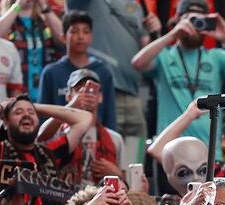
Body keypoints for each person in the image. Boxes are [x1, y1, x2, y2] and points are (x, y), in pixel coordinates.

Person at [131, 0, 225, 144]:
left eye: (200, 20)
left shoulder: (216, 57)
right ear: (177, 20)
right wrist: (173, 34)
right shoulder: (164, 55)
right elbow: (137, 63)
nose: (195, 26)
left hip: (209, 150)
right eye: (190, 20)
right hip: (170, 149)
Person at [66, 0, 153, 141]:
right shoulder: (91, 4)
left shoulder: (137, 7)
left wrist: (155, 32)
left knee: (135, 158)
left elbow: (147, 60)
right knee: (106, 153)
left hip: (133, 94)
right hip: (104, 94)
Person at [0, 95, 93, 185]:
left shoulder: (49, 153)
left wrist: (36, 107)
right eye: (18, 112)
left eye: (31, 113)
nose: (26, 115)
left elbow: (85, 118)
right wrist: (3, 107)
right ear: (5, 123)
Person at [38, 68, 126, 184]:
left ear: (100, 97)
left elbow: (126, 181)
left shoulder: (115, 139)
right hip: (63, 197)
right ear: (68, 96)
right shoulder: (57, 131)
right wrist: (71, 106)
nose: (86, 94)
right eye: (79, 89)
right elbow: (40, 138)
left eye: (92, 90)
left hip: (100, 197)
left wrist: (116, 173)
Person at [37, 11, 117, 130]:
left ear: (91, 37)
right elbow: (43, 114)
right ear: (63, 37)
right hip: (59, 140)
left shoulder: (103, 72)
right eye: (74, 31)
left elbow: (109, 115)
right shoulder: (51, 72)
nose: (80, 36)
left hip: (95, 139)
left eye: (85, 31)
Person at [0, 0, 64, 101]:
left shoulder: (45, 21)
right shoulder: (7, 21)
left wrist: (44, 6)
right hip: (14, 94)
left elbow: (64, 38)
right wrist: (18, 5)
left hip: (45, 94)